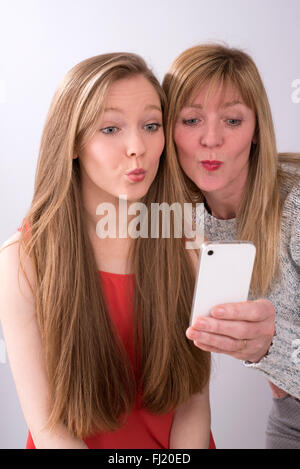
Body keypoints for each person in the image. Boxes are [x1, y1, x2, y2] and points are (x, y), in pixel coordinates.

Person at [0, 53, 215, 449]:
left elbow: (193, 403)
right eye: (111, 128)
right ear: (72, 141)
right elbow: (50, 428)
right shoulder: (22, 259)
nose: (138, 147)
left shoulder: (186, 240)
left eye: (151, 126)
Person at [162, 43, 300, 449]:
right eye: (191, 119)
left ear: (256, 131)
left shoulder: (295, 202)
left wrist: (271, 346)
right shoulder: (176, 215)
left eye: (233, 120)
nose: (211, 139)